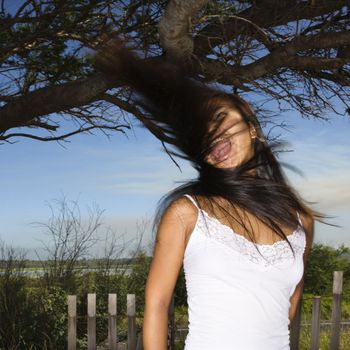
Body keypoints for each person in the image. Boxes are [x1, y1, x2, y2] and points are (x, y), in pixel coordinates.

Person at [94, 38, 327, 350]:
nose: (213, 136)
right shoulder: (187, 213)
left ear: (248, 118)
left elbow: (290, 303)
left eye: (218, 119)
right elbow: (158, 304)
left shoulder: (301, 220)